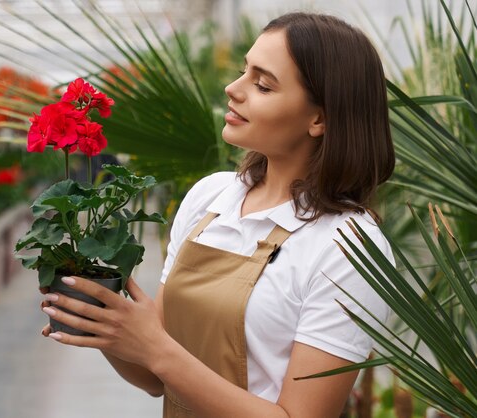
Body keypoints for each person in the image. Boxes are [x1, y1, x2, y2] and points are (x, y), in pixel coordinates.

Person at [40, 11, 395, 418]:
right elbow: (156, 377)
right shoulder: (212, 197)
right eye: (243, 72)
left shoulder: (348, 247)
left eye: (263, 84)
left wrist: (157, 349)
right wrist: (98, 319)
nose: (233, 88)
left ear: (320, 118)